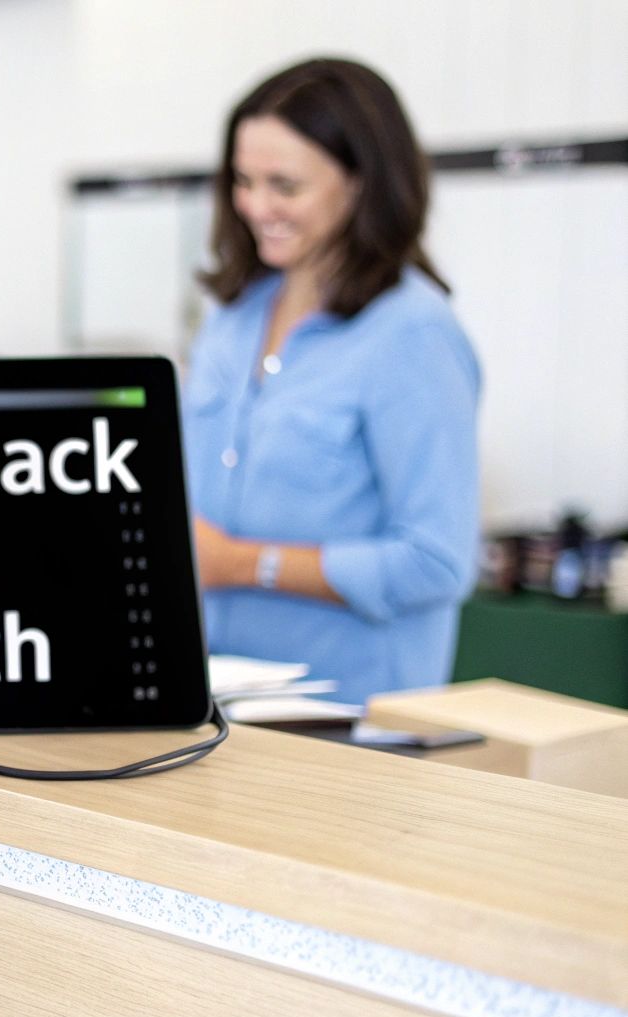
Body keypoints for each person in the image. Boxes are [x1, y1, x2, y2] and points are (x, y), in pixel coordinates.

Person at [181, 58, 481, 706]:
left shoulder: (412, 335)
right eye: (243, 180)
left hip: (346, 721)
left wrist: (240, 563)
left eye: (284, 185)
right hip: (214, 702)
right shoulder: (232, 317)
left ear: (361, 184)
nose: (257, 206)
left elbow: (436, 561)